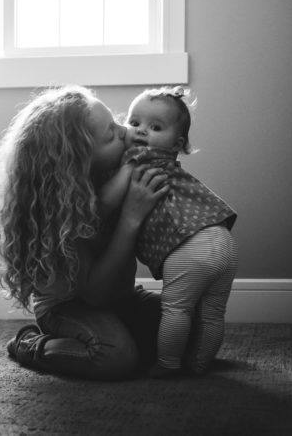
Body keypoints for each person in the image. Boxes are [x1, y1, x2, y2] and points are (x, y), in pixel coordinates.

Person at [0, 85, 170, 380]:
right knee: (116, 355)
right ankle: (31, 344)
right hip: (68, 308)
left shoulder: (115, 175)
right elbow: (92, 294)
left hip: (121, 299)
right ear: (78, 161)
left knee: (185, 323)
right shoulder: (62, 213)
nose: (124, 131)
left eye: (118, 122)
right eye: (111, 134)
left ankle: (126, 335)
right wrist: (131, 217)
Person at [98, 86, 238, 377]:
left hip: (188, 246)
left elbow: (107, 201)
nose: (141, 131)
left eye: (155, 127)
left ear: (178, 142)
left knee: (176, 310)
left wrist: (109, 188)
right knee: (211, 313)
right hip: (222, 240)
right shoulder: (171, 168)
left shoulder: (136, 160)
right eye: (134, 122)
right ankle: (200, 363)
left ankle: (168, 364)